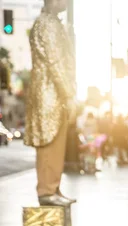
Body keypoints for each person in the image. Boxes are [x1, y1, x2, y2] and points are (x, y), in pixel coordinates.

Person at [25, 0, 76, 207]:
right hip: (50, 93)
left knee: (57, 142)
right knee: (49, 141)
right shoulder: (47, 24)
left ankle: (52, 187)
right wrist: (68, 94)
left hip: (53, 93)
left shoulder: (51, 23)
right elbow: (55, 62)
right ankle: (47, 190)